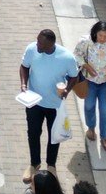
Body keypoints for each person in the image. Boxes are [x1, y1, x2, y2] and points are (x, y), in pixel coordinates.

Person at [20, 29, 82, 183]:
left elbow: (75, 77)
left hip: (55, 105)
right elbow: (24, 67)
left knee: (54, 136)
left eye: (41, 43)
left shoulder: (66, 57)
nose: (37, 45)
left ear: (51, 44)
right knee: (33, 133)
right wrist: (23, 83)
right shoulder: (31, 49)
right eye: (37, 41)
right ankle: (34, 164)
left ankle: (51, 166)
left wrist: (67, 90)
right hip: (34, 101)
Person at [74, 21, 106, 156]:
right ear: (95, 32)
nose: (102, 39)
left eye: (105, 36)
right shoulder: (86, 42)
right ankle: (91, 128)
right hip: (90, 82)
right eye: (100, 35)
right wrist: (86, 66)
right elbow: (77, 55)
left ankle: (104, 137)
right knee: (89, 106)